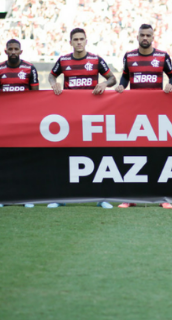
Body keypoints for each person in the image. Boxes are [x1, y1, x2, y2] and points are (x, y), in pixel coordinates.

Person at [49, 27, 117, 209]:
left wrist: (103, 82)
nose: (79, 42)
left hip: (93, 116)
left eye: (82, 39)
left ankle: (102, 197)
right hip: (70, 117)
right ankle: (60, 197)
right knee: (66, 155)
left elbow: (113, 79)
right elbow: (51, 75)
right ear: (70, 42)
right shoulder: (63, 60)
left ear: (86, 41)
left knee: (96, 155)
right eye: (75, 39)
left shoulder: (95, 60)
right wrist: (53, 83)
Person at [115, 24, 172, 209]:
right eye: (142, 35)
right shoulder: (129, 56)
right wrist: (121, 86)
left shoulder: (162, 56)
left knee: (157, 154)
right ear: (137, 36)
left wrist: (171, 85)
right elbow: (125, 77)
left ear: (153, 37)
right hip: (135, 112)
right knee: (133, 153)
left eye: (148, 35)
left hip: (156, 113)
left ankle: (161, 197)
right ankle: (130, 197)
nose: (145, 38)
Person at [0, 39, 39, 209]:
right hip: (5, 123)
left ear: (20, 51)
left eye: (15, 49)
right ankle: (3, 196)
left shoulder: (29, 69)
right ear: (5, 51)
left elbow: (36, 98)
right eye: (10, 49)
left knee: (24, 159)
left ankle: (27, 196)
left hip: (24, 123)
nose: (12, 52)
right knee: (5, 159)